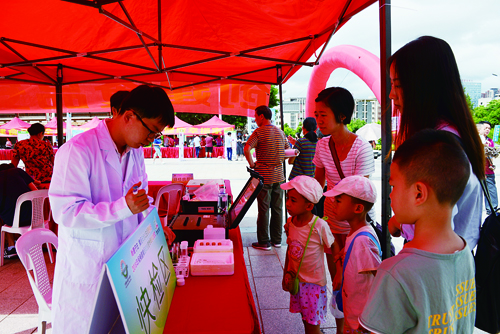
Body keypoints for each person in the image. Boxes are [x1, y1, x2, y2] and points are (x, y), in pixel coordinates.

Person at [48, 85, 175, 333]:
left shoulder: (134, 151)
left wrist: (157, 228)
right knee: (90, 327)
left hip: (126, 267)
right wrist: (121, 208)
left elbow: (141, 201)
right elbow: (65, 212)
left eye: (156, 136)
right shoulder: (77, 151)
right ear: (128, 116)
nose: (151, 141)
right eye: (151, 132)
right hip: (89, 269)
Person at [360, 129, 476, 333]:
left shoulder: (396, 273)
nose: (390, 195)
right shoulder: (465, 253)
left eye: (393, 185)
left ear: (418, 193)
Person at [387, 36, 484, 250]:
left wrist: (398, 222)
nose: (392, 95)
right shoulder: (455, 134)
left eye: (398, 85)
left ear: (424, 88)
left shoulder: (438, 147)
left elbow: (434, 220)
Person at [323, 175, 381, 334]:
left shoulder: (363, 241)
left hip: (362, 321)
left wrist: (371, 320)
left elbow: (377, 279)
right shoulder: (354, 233)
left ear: (358, 208)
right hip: (354, 315)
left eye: (339, 200)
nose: (333, 203)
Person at [281, 175, 335, 334]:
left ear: (309, 206)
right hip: (297, 281)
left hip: (313, 285)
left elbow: (332, 249)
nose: (288, 203)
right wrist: (285, 273)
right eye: (288, 198)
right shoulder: (290, 223)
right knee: (305, 319)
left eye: (293, 200)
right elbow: (290, 250)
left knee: (312, 325)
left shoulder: (319, 225)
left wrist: (336, 277)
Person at [245, 105, 290, 250]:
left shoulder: (259, 132)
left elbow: (247, 148)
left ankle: (264, 242)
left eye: (256, 116)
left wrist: (252, 164)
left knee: (264, 209)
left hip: (264, 176)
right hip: (280, 177)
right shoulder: (280, 132)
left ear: (262, 116)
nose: (255, 119)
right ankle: (277, 240)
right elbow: (288, 150)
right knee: (278, 208)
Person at [0, 163, 38, 259]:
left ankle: (11, 247)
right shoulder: (18, 171)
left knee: (4, 217)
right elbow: (36, 191)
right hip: (34, 216)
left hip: (11, 220)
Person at [12, 123, 55, 189]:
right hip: (47, 179)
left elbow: (13, 165)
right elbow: (54, 162)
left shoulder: (19, 145)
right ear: (40, 133)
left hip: (30, 180)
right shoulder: (46, 145)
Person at [478, 120, 498, 214]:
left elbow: (491, 155)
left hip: (488, 171)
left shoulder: (489, 141)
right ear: (479, 129)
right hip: (477, 171)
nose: (487, 130)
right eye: (485, 128)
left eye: (489, 128)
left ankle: (493, 212)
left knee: (491, 192)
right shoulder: (475, 140)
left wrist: (492, 165)